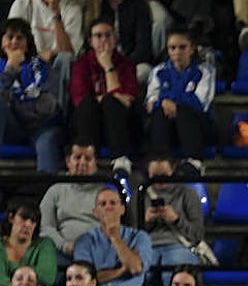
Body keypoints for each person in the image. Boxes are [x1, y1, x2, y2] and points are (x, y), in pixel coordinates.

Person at [68, 18, 138, 174]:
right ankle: (87, 159)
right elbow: (80, 100)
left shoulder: (126, 65)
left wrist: (108, 67)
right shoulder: (82, 64)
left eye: (108, 35)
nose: (104, 40)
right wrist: (110, 97)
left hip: (120, 124)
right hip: (90, 122)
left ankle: (121, 159)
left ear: (115, 39)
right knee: (89, 104)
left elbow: (128, 101)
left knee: (111, 103)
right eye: (98, 36)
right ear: (90, 41)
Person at [144, 24, 214, 173]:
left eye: (182, 47)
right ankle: (160, 161)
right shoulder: (158, 71)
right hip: (169, 126)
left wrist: (167, 101)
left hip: (198, 127)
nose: (177, 52)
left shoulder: (205, 71)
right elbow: (150, 104)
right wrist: (163, 102)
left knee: (184, 111)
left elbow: (200, 103)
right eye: (172, 48)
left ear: (192, 48)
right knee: (159, 113)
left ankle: (195, 162)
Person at [0, 17, 63, 175]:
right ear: (2, 42)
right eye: (9, 37)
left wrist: (13, 103)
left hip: (41, 128)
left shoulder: (42, 67)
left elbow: (49, 105)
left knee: (47, 143)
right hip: (10, 128)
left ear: (27, 43)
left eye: (20, 38)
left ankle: (47, 196)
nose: (14, 42)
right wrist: (10, 70)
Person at [141, 154, 206, 285]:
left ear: (173, 170)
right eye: (155, 176)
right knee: (131, 279)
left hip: (179, 245)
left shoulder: (188, 194)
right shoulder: (141, 195)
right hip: (147, 246)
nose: (159, 180)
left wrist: (176, 219)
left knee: (177, 279)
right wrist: (145, 222)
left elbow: (198, 234)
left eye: (164, 175)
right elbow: (129, 236)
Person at [38, 142, 103, 265]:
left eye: (88, 159)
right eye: (77, 158)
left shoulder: (106, 193)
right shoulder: (55, 190)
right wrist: (65, 246)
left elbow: (114, 228)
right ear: (68, 161)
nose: (82, 163)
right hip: (61, 253)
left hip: (98, 254)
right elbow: (45, 226)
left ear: (95, 163)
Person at [0, 200, 57, 286]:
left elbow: (47, 278)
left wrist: (11, 272)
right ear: (11, 218)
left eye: (33, 221)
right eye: (24, 218)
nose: (28, 224)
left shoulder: (45, 244)